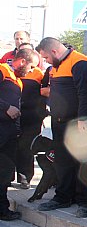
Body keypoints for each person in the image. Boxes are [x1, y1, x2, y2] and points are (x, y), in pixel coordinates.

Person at [35, 38, 87, 218]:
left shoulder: (79, 62)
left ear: (54, 52)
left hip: (78, 122)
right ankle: (63, 197)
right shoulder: (56, 65)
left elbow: (85, 94)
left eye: (46, 57)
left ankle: (84, 201)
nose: (45, 60)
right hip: (59, 121)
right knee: (62, 161)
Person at [1, 48, 38, 221]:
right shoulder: (3, 70)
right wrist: (5, 108)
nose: (32, 71)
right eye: (31, 66)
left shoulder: (17, 80)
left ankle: (3, 209)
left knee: (5, 174)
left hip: (9, 135)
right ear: (23, 61)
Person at [15, 53, 47, 189]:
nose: (32, 69)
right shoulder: (8, 72)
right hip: (11, 115)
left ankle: (25, 177)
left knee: (26, 147)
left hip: (31, 116)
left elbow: (45, 91)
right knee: (10, 146)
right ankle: (7, 177)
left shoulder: (38, 73)